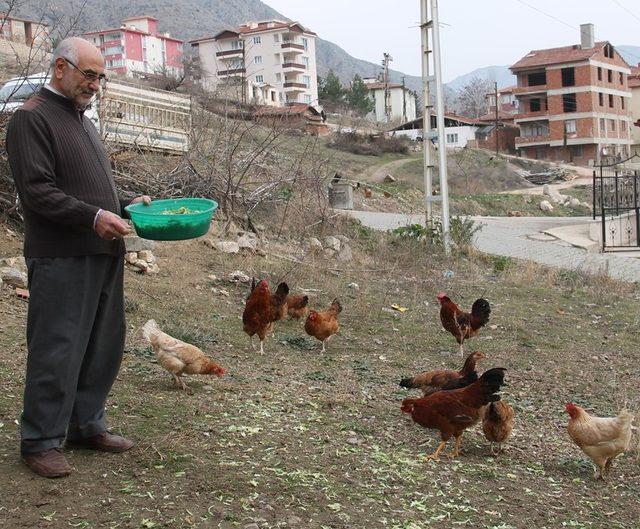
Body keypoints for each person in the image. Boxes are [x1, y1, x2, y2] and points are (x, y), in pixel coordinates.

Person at [6, 37, 150, 478]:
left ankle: (86, 425)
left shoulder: (83, 120)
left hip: (103, 250)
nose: (95, 84)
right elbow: (38, 193)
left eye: (100, 76)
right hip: (61, 255)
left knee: (101, 345)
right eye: (89, 74)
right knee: (57, 347)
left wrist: (125, 203)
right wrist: (93, 216)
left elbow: (90, 188)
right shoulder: (31, 119)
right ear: (60, 68)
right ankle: (41, 441)